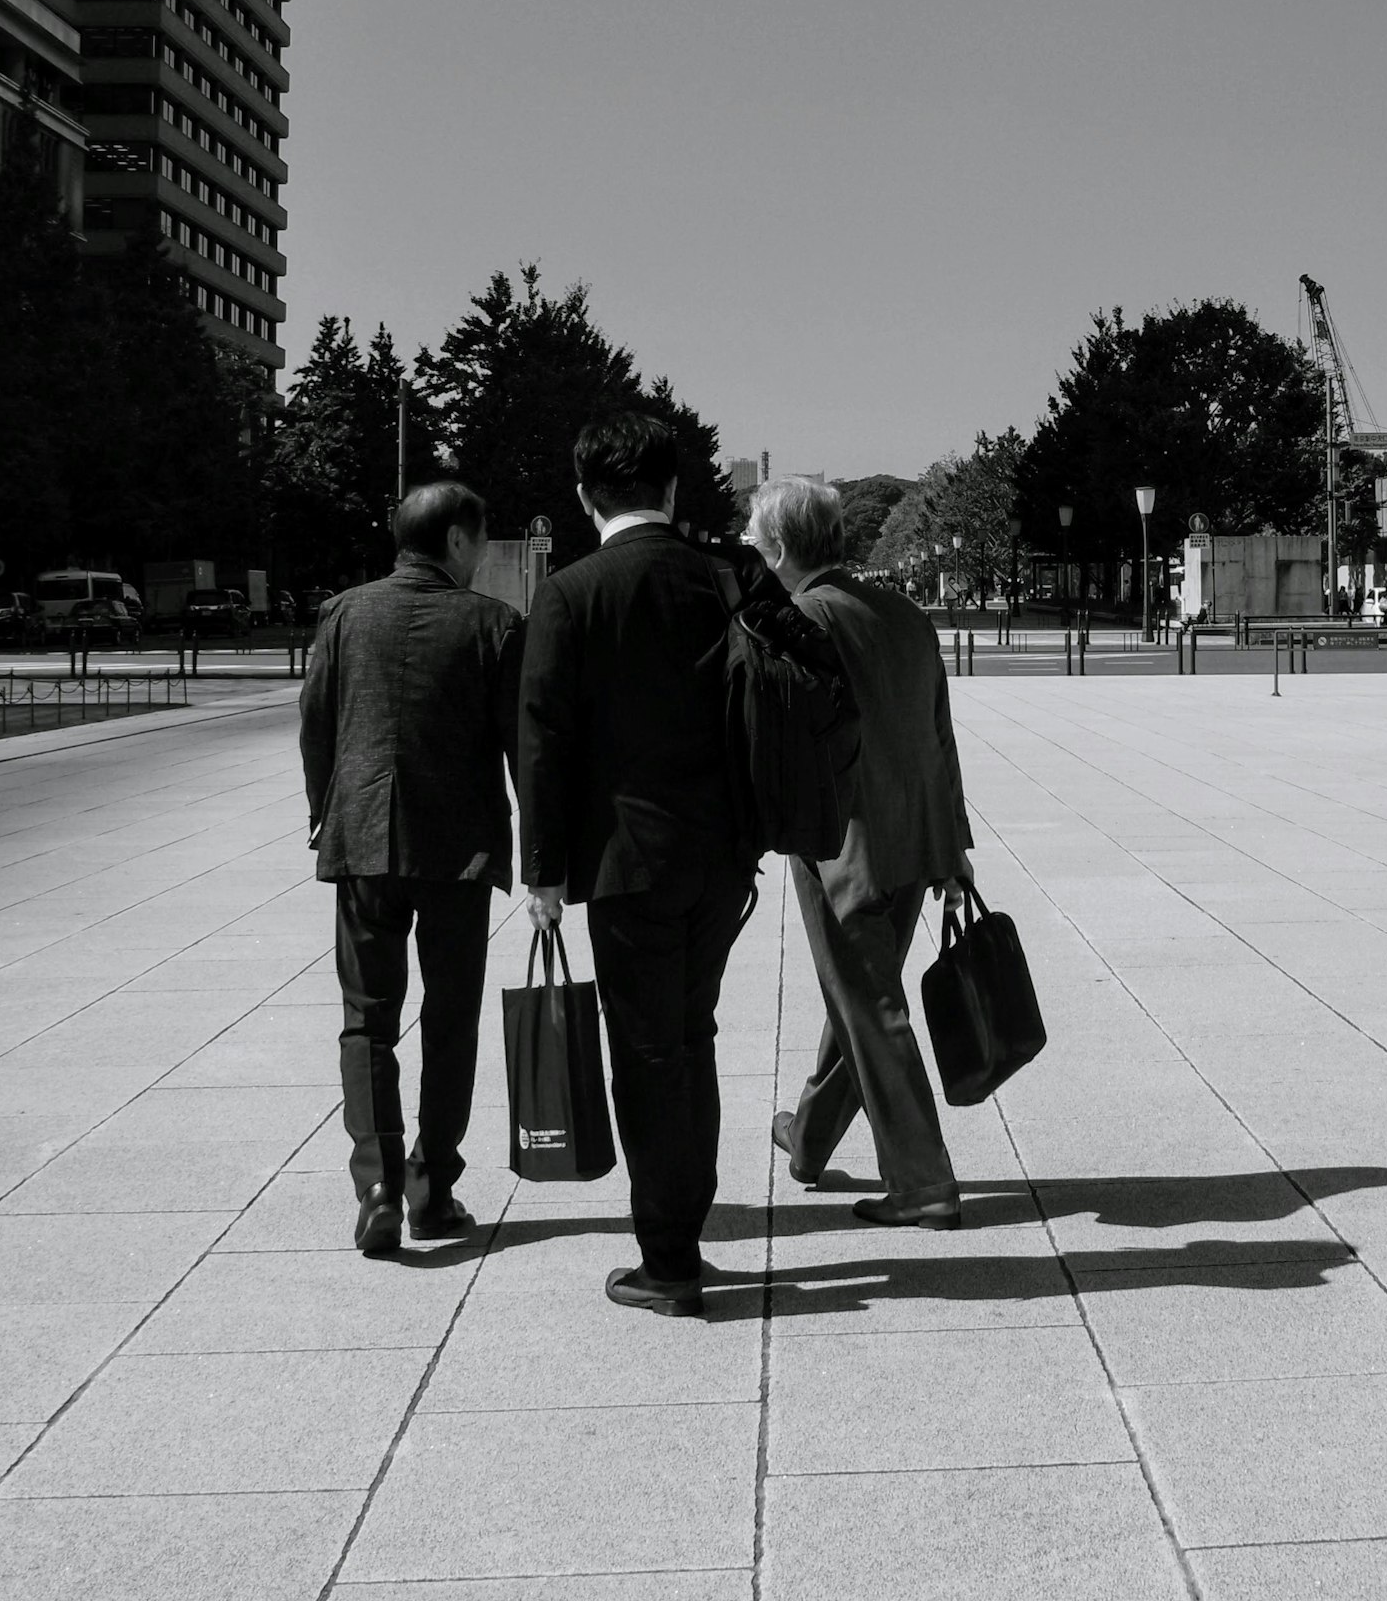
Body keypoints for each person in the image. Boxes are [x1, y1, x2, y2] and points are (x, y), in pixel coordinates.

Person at [521, 413, 768, 1319]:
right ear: (673, 491)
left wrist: (543, 871)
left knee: (652, 1050)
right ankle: (680, 1230)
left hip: (624, 862)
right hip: (724, 856)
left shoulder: (572, 593)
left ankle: (670, 1259)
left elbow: (543, 737)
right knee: (689, 1036)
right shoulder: (729, 580)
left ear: (587, 499)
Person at [302, 480, 522, 1259]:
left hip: (362, 840)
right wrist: (548, 852)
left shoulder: (344, 613)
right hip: (457, 850)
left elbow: (317, 725)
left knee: (367, 1017)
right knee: (450, 1016)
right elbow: (520, 747)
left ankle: (376, 1185)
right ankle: (433, 1187)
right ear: (459, 540)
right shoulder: (493, 624)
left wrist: (320, 810)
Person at [750, 478, 973, 1231]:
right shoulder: (906, 615)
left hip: (842, 843)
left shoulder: (796, 619)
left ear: (778, 547)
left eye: (756, 538)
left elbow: (775, 737)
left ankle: (922, 1179)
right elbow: (937, 734)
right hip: (915, 837)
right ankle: (809, 1139)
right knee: (861, 995)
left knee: (869, 1003)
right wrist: (954, 844)